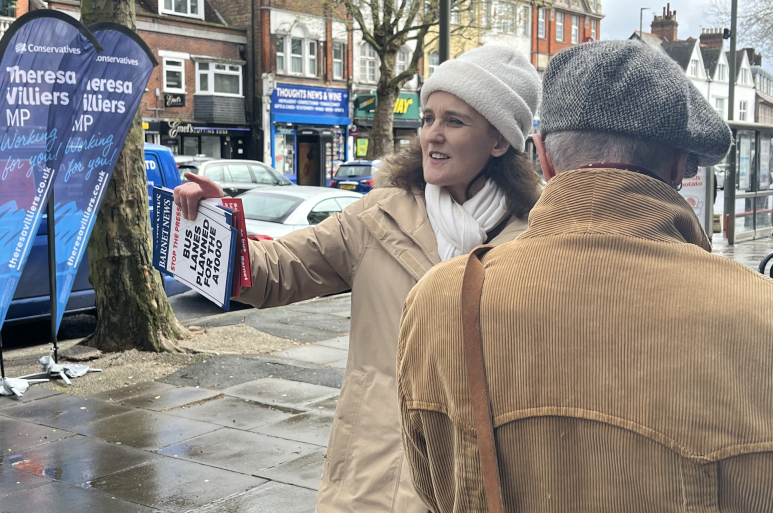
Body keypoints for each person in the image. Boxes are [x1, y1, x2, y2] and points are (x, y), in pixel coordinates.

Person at [398, 39, 773, 513]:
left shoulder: (441, 297)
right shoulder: (763, 315)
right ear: (680, 166)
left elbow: (430, 483)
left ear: (544, 158)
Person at [174, 45, 542, 512]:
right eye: (428, 118)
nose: (432, 135)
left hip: (486, 480)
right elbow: (277, 270)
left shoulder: (537, 240)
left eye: (455, 121)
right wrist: (214, 225)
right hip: (376, 472)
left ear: (499, 141)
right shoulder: (378, 215)